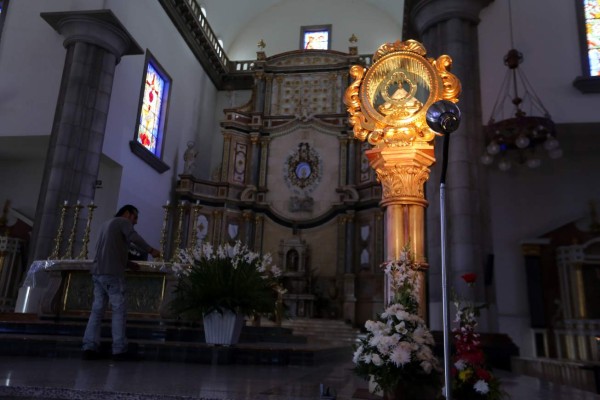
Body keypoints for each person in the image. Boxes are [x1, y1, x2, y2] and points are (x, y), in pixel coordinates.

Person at [82, 204, 160, 361]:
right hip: (112, 274)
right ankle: (119, 349)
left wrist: (128, 263)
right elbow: (134, 237)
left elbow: (111, 249)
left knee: (97, 311)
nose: (136, 221)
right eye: (135, 217)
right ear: (127, 213)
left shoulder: (106, 224)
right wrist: (151, 250)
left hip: (98, 272)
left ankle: (89, 347)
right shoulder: (123, 222)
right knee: (119, 310)